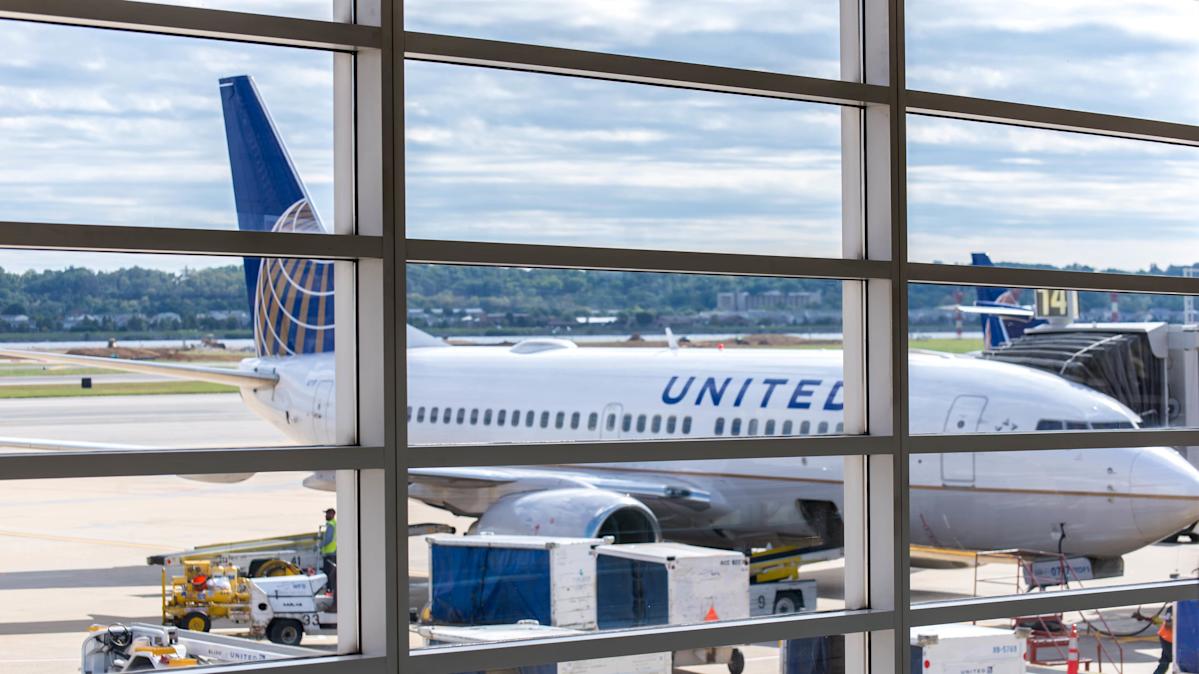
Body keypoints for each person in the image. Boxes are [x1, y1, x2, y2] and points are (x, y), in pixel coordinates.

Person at [321, 508, 337, 607]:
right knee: (330, 574)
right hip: (332, 553)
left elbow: (328, 539)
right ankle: (330, 592)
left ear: (332, 514)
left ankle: (329, 593)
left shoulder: (331, 525)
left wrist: (320, 545)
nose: (325, 516)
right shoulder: (333, 524)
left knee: (329, 574)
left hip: (330, 553)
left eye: (327, 514)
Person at [1152, 605, 1174, 674]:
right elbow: (1168, 624)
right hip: (1167, 639)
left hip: (1175, 639)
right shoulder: (1172, 609)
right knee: (1166, 660)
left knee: (1165, 660)